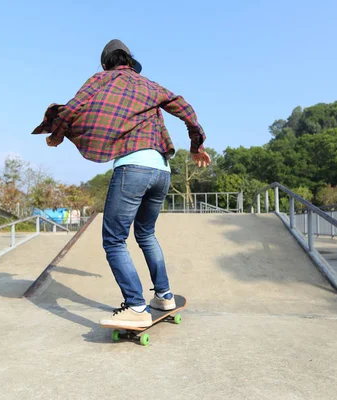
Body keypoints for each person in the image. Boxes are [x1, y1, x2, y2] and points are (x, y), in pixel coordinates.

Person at [32, 39, 210, 328]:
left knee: (114, 239)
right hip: (162, 171)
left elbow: (71, 109)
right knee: (146, 234)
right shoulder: (149, 86)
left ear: (105, 64)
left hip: (133, 169)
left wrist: (56, 136)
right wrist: (196, 145)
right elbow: (185, 109)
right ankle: (164, 296)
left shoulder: (101, 81)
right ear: (130, 62)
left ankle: (136, 306)